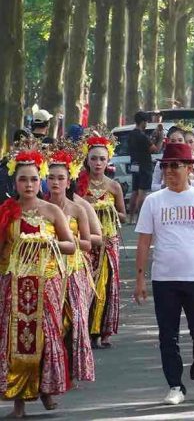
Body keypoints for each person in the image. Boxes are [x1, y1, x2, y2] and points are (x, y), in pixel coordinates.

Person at [134, 142, 194, 405]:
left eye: (175, 165)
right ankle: (175, 385)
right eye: (165, 166)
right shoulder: (154, 201)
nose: (169, 171)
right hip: (165, 279)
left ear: (190, 168)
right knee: (168, 335)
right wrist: (140, 278)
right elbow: (143, 242)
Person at [0, 143, 76, 417]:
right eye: (23, 179)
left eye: (34, 178)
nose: (29, 184)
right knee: (15, 342)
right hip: (15, 284)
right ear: (15, 182)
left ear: (40, 179)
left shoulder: (51, 211)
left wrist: (48, 242)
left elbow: (71, 246)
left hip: (47, 284)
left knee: (46, 338)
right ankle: (18, 401)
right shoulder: (7, 211)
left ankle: (45, 388)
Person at [45, 144, 96, 385]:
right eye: (51, 177)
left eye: (60, 178)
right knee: (53, 323)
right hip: (48, 269)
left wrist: (68, 240)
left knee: (75, 319)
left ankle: (72, 370)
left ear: (69, 181)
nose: (55, 182)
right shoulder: (40, 208)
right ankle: (57, 372)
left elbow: (88, 242)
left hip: (74, 269)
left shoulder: (78, 208)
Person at [78, 130, 126, 348]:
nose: (98, 163)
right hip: (86, 242)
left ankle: (102, 330)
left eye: (102, 159)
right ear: (87, 160)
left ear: (109, 161)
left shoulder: (114, 186)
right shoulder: (79, 185)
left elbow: (124, 216)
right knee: (85, 284)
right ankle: (84, 330)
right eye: (94, 158)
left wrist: (109, 210)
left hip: (108, 242)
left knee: (105, 285)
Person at [127, 112, 162, 224]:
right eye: (146, 121)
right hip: (144, 165)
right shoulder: (142, 136)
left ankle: (131, 217)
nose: (147, 123)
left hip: (134, 165)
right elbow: (155, 149)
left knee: (134, 191)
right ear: (142, 122)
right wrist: (160, 138)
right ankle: (139, 218)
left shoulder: (131, 134)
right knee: (142, 192)